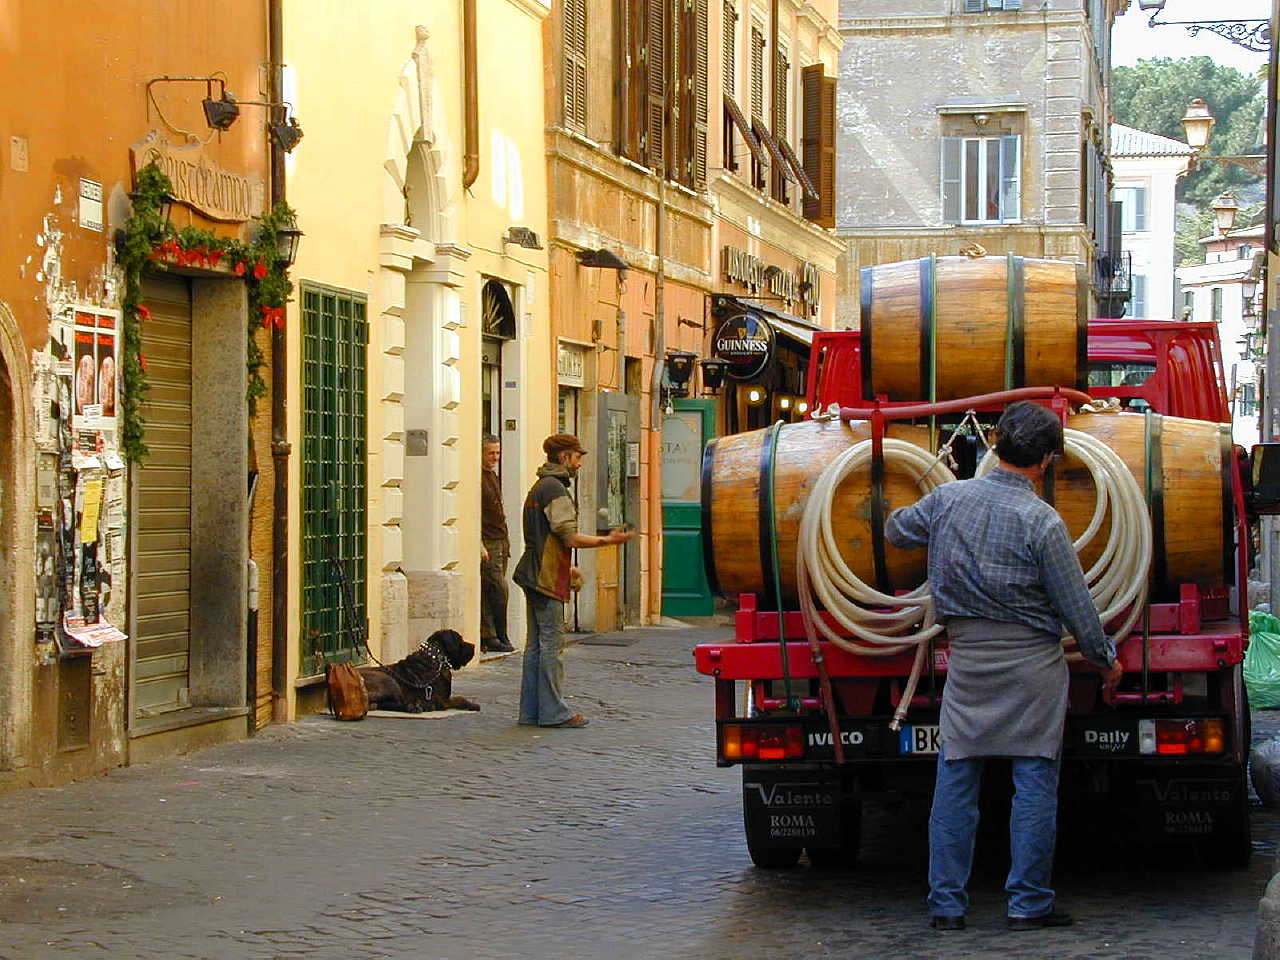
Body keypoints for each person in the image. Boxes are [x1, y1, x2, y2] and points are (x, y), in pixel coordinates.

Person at [884, 401, 1123, 932]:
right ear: (1046, 462)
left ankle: (946, 905)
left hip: (969, 660)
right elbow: (1076, 607)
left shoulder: (947, 500)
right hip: (1033, 666)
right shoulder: (1043, 521)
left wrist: (894, 500)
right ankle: (1028, 902)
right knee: (1034, 779)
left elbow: (898, 531)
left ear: (995, 442)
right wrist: (1105, 660)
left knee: (957, 779)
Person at [513, 434, 636, 728]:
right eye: (577, 457)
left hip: (533, 570)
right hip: (544, 576)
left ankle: (531, 712)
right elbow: (568, 536)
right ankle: (554, 712)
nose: (580, 464)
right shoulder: (555, 488)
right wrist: (608, 540)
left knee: (535, 647)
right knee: (551, 646)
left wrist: (568, 569)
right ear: (564, 457)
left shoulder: (538, 487)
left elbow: (545, 537)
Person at [479, 435, 514, 653]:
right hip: (488, 541)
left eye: (498, 453)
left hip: (501, 539)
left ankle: (492, 635)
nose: (495, 457)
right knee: (498, 589)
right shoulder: (478, 477)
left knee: (493, 589)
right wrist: (479, 543)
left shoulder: (493, 475)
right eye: (491, 453)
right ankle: (495, 635)